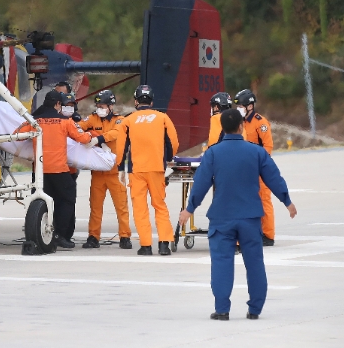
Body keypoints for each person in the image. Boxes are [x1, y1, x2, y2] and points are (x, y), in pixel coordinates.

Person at [179, 108, 297, 321]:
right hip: (250, 217)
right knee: (254, 263)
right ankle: (255, 310)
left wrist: (190, 209)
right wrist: (287, 201)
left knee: (222, 261)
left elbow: (201, 184)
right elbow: (274, 177)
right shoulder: (256, 152)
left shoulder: (213, 153)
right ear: (242, 126)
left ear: (221, 127)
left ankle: (222, 309)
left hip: (222, 217)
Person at [32, 90, 96, 249]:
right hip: (59, 170)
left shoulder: (34, 121)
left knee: (41, 202)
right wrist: (92, 135)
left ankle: (41, 232)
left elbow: (17, 134)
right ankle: (60, 234)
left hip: (39, 171)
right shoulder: (65, 122)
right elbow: (83, 138)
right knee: (66, 200)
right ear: (58, 104)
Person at [120, 85, 178, 256]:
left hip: (136, 170)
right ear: (151, 101)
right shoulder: (162, 118)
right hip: (156, 168)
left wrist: (120, 167)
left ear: (136, 101)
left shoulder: (128, 120)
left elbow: (121, 146)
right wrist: (168, 157)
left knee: (140, 208)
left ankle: (145, 246)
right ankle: (164, 244)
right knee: (160, 206)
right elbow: (173, 142)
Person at [79, 90, 131, 250]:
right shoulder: (93, 119)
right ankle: (93, 237)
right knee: (95, 206)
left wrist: (98, 138)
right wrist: (84, 133)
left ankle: (125, 237)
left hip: (115, 172)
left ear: (110, 106)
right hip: (98, 173)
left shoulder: (119, 120)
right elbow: (80, 127)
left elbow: (116, 134)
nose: (99, 108)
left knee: (121, 206)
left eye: (102, 106)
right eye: (98, 106)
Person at [235, 89, 276, 246]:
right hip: (245, 168)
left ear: (250, 106)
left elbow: (268, 146)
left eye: (241, 106)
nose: (239, 109)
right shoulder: (240, 123)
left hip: (260, 167)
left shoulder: (261, 123)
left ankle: (268, 235)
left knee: (264, 199)